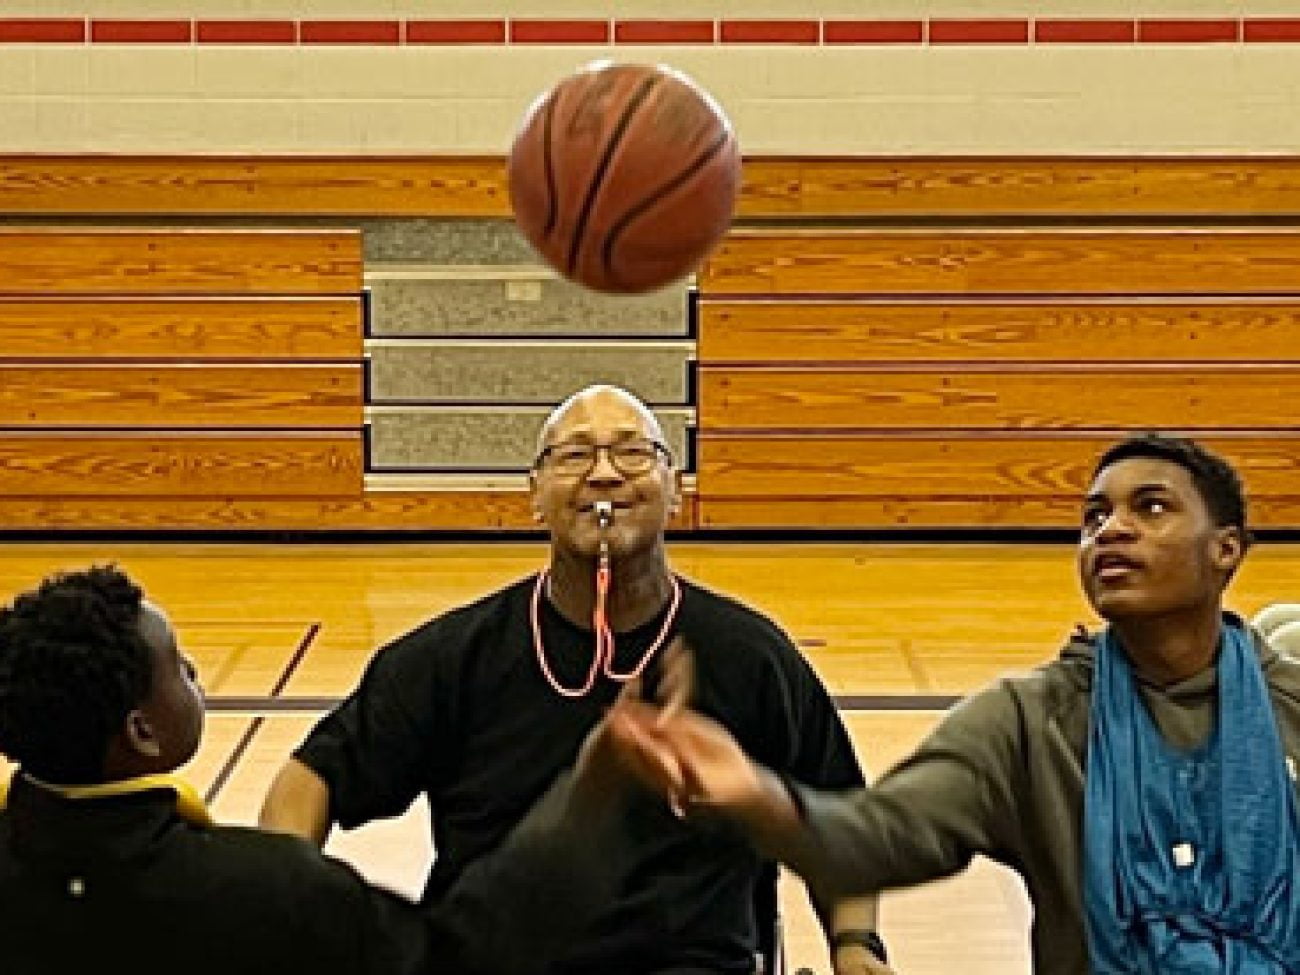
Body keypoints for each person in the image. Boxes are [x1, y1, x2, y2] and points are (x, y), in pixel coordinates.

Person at [606, 433, 1300, 974]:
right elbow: (874, 839)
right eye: (1094, 516)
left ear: (1226, 549)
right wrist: (757, 793)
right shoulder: (1029, 722)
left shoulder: (1287, 702)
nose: (1110, 530)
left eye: (1150, 507)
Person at [260, 384, 891, 975]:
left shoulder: (753, 657)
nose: (605, 473)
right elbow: (306, 781)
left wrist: (856, 946)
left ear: (674, 490)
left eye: (633, 452)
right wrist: (287, 922)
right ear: (534, 494)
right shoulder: (452, 658)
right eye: (575, 455)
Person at [0, 565, 640, 975]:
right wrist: (587, 798)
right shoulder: (267, 892)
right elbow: (461, 954)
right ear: (142, 732)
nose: (193, 672)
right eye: (178, 663)